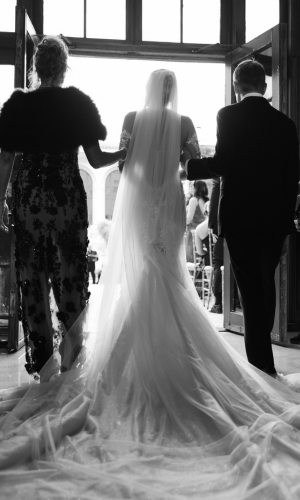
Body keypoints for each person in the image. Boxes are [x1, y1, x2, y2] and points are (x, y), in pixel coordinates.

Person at [2, 68, 300, 500]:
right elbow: (190, 163)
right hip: (173, 204)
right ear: (172, 92)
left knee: (144, 274)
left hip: (142, 203)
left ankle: (105, 356)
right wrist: (176, 171)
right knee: (171, 273)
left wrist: (143, 173)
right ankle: (214, 359)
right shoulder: (185, 124)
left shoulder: (130, 118)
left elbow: (125, 162)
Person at [0, 36, 126, 377]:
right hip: (67, 199)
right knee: (70, 279)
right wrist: (125, 153)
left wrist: (0, 203)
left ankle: (42, 365)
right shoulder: (77, 104)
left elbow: (6, 159)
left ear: (36, 68)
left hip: (29, 202)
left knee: (32, 279)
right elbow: (97, 160)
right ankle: (71, 362)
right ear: (64, 67)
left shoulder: (17, 105)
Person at [185, 59, 299, 373]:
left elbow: (222, 162)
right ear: (264, 86)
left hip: (240, 220)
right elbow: (292, 179)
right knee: (266, 284)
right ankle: (264, 363)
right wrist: (287, 220)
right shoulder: (285, 124)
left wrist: (191, 168)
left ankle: (261, 368)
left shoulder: (228, 115)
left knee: (249, 290)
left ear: (237, 87)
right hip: (275, 222)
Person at [208, 177, 224, 313]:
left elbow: (215, 193)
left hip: (223, 221)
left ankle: (218, 303)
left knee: (218, 261)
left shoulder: (221, 161)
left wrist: (212, 224)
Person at [185, 180, 208, 262]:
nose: (191, 188)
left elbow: (189, 219)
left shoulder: (193, 200)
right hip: (203, 234)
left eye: (192, 186)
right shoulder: (203, 200)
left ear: (196, 188)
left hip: (192, 233)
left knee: (190, 257)